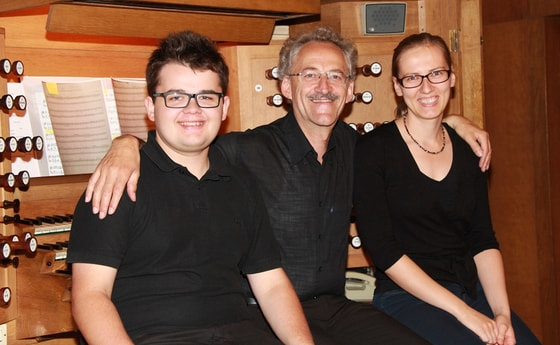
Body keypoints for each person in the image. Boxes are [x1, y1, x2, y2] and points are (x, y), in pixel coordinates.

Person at [83, 27, 491, 344]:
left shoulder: (360, 149)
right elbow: (186, 143)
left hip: (331, 307)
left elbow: (410, 131)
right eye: (309, 74)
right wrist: (127, 144)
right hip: (258, 313)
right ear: (285, 86)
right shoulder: (243, 152)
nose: (323, 87)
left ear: (351, 90)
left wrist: (455, 122)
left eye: (336, 76)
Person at [66, 30, 314, 345]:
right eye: (176, 97)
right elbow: (90, 297)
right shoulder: (116, 181)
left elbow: (271, 285)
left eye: (206, 97)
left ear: (223, 108)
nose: (193, 110)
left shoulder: (241, 183)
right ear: (151, 107)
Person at [353, 32, 541, 345]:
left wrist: (502, 314)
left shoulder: (469, 149)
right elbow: (384, 252)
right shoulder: (373, 151)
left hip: (470, 290)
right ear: (397, 87)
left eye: (436, 74)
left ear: (451, 78)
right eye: (412, 78)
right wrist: (465, 314)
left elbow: (482, 239)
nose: (426, 87)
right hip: (407, 298)